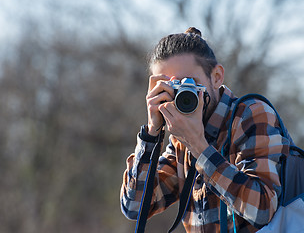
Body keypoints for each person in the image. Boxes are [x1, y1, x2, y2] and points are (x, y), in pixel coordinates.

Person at [120, 27, 291, 232]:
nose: (181, 96)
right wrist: (151, 132)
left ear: (217, 77)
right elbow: (134, 207)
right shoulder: (180, 139)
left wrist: (200, 147)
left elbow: (263, 209)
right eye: (170, 89)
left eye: (190, 84)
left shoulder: (250, 114)